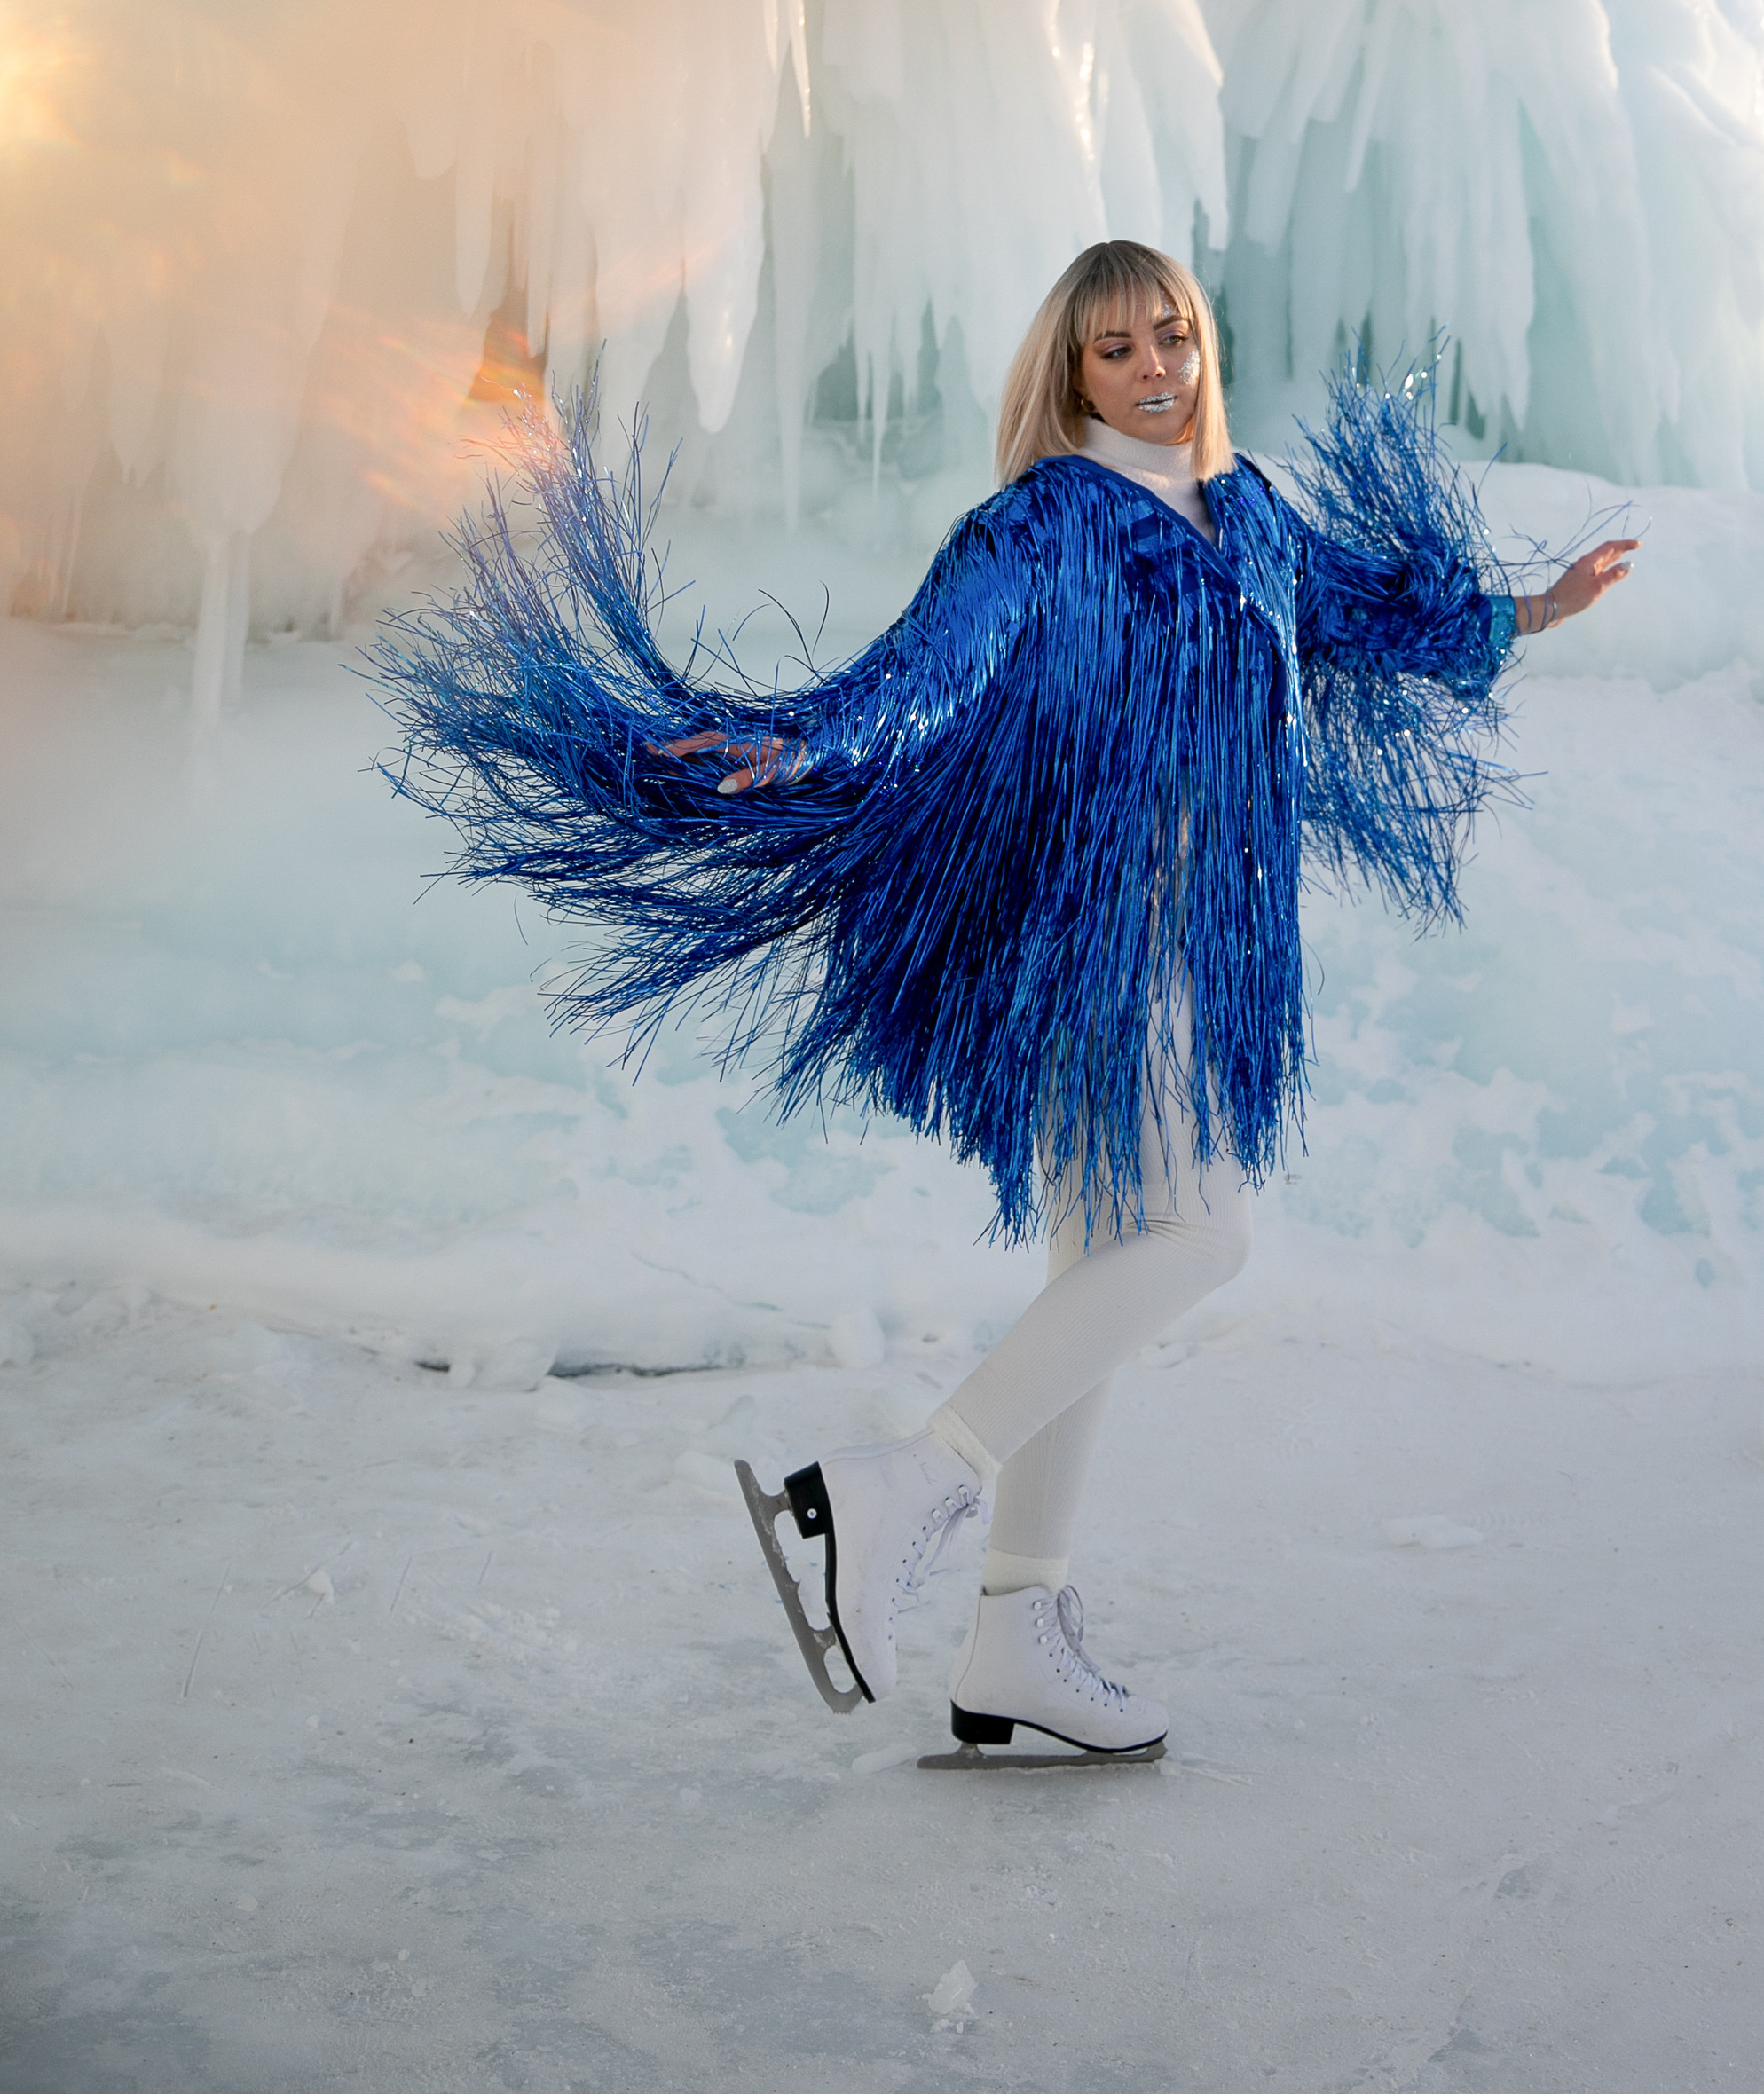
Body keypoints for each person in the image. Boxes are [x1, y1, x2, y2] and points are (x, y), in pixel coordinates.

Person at [374, 241, 1635, 1759]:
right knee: (1201, 1237)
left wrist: (1535, 612)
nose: (1157, 368)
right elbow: (921, 674)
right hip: (1104, 935)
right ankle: (901, 1489)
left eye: (1172, 336)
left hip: (1212, 937)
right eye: (1117, 350)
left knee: (1105, 1262)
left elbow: (1372, 620)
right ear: (1070, 372)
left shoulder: (1250, 513)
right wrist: (793, 749)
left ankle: (1015, 1634)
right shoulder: (1038, 524)